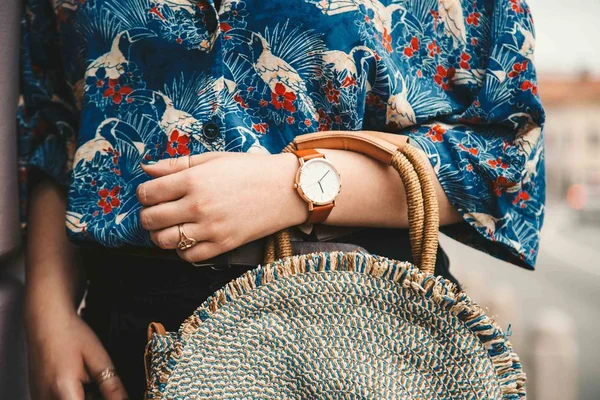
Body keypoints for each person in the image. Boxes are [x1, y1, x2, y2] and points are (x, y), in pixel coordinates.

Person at [19, 0, 545, 398]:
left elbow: (502, 158)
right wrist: (46, 304)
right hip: (129, 333)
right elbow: (54, 125)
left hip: (366, 329)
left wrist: (298, 186)